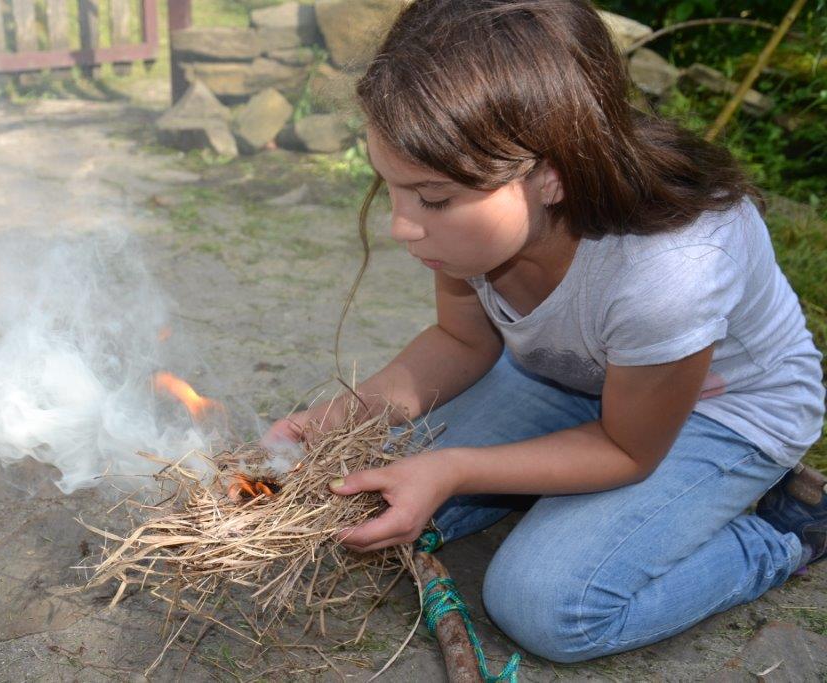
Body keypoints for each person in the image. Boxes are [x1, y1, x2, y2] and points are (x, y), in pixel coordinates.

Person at [262, 0, 826, 664]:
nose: (401, 227)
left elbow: (627, 449)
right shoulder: (472, 234)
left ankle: (781, 533)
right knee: (366, 499)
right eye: (391, 187)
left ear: (552, 174)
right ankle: (557, 492)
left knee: (545, 604)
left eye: (434, 199)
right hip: (568, 377)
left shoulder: (669, 273)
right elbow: (463, 341)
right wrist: (342, 415)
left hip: (719, 414)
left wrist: (454, 467)